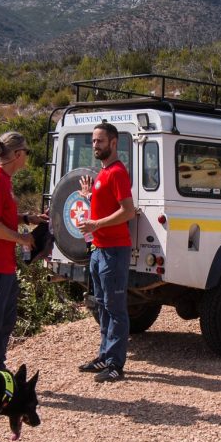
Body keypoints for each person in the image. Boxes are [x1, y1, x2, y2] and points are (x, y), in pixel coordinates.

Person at [0, 131, 47, 370]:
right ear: (16, 154)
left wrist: (26, 217)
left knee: (5, 319)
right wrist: (21, 239)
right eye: (26, 153)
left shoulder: (3, 179)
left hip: (3, 263)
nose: (26, 158)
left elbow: (1, 215)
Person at [76, 122, 137, 383]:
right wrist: (89, 197)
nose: (95, 146)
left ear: (113, 143)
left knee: (115, 308)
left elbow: (128, 211)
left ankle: (115, 365)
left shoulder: (117, 173)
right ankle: (104, 355)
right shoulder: (102, 173)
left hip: (114, 250)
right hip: (99, 250)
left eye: (100, 141)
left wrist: (96, 224)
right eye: (93, 141)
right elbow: (107, 207)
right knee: (102, 305)